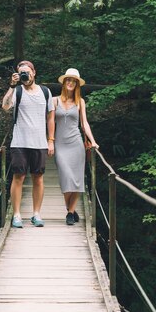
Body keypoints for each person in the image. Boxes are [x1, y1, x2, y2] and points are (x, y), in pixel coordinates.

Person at [2, 60, 55, 228]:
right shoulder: (17, 91)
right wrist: (12, 85)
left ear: (34, 72)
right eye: (21, 72)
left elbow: (51, 117)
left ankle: (36, 214)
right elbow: (4, 107)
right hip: (19, 142)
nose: (25, 74)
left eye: (27, 71)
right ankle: (17, 215)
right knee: (19, 177)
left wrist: (51, 140)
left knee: (38, 178)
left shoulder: (45, 92)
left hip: (39, 142)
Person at [53, 68, 98, 225]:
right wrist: (49, 140)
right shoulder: (54, 100)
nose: (70, 83)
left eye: (74, 81)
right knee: (66, 177)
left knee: (77, 179)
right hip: (60, 143)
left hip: (76, 143)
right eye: (68, 80)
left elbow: (84, 123)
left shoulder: (80, 102)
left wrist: (92, 141)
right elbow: (50, 122)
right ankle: (69, 208)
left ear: (77, 84)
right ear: (64, 83)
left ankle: (70, 213)